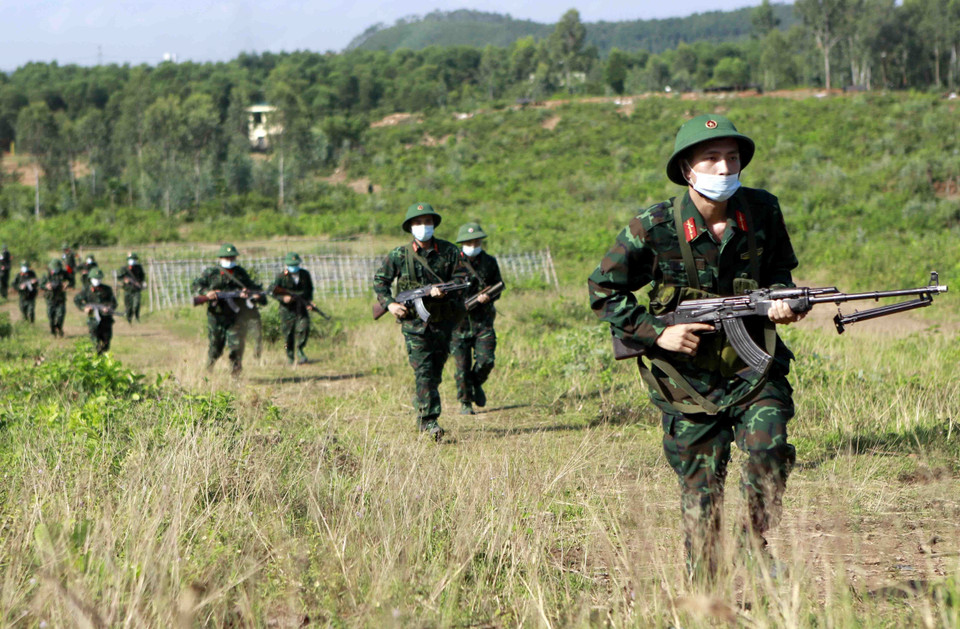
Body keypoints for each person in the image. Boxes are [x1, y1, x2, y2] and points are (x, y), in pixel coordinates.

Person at [588, 114, 805, 580]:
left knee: (770, 447)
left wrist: (783, 303)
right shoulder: (655, 226)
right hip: (686, 384)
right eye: (711, 158)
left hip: (754, 372)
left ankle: (752, 541)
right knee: (702, 497)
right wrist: (655, 333)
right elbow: (603, 290)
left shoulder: (762, 211)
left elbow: (780, 276)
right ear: (687, 169)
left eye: (732, 157)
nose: (724, 168)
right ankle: (705, 599)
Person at [373, 202, 468, 440]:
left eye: (427, 222)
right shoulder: (398, 255)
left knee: (435, 373)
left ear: (434, 224)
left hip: (443, 322)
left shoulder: (449, 251)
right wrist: (390, 304)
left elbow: (462, 279)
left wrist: (443, 292)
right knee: (423, 372)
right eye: (417, 222)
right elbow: (380, 282)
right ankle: (429, 421)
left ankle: (423, 412)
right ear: (410, 227)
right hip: (415, 325)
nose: (423, 226)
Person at [451, 222, 504, 415]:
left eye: (477, 241)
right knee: (461, 367)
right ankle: (465, 402)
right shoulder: (452, 263)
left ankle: (475, 383)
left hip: (483, 321)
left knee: (487, 360)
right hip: (458, 324)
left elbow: (498, 286)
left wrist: (488, 297)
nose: (473, 244)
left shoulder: (489, 262)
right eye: (469, 241)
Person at [191, 243, 266, 376]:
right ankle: (208, 370)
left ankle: (235, 376)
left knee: (237, 347)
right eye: (227, 258)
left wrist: (249, 293)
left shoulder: (240, 273)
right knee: (216, 348)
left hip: (235, 316)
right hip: (216, 316)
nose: (230, 260)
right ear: (220, 258)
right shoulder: (211, 272)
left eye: (232, 258)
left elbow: (251, 287)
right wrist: (207, 292)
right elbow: (196, 285)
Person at [268, 252, 315, 365]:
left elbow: (309, 290)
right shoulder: (281, 276)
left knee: (304, 328)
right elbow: (271, 291)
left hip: (301, 306)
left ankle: (300, 350)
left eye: (296, 264)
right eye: (291, 265)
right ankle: (290, 356)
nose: (294, 267)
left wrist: (309, 302)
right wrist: (283, 298)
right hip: (287, 310)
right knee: (288, 334)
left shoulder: (305, 275)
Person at [73, 267, 118, 353]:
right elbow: (77, 300)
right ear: (90, 279)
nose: (97, 280)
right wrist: (84, 308)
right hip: (93, 319)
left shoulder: (107, 289)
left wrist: (108, 308)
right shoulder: (86, 290)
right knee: (94, 343)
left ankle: (102, 355)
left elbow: (114, 303)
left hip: (106, 320)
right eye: (95, 279)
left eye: (99, 279)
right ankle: (96, 360)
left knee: (106, 343)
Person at [41, 259, 68, 337]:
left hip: (60, 298)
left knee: (60, 315)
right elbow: (41, 285)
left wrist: (67, 284)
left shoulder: (63, 273)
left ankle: (59, 328)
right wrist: (46, 286)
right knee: (51, 316)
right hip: (50, 298)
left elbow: (71, 280)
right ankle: (53, 331)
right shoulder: (46, 275)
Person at [118, 251, 146, 323]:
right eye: (131, 259)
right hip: (128, 290)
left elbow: (142, 277)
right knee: (128, 306)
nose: (132, 261)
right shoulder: (124, 268)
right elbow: (119, 277)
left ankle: (137, 317)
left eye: (134, 259)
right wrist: (124, 280)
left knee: (136, 304)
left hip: (137, 289)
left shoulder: (139, 268)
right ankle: (129, 318)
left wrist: (143, 283)